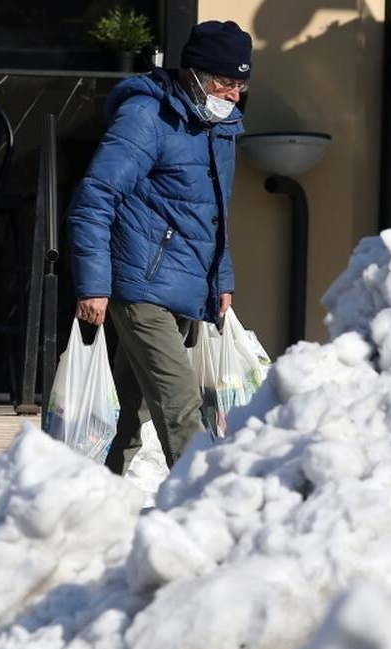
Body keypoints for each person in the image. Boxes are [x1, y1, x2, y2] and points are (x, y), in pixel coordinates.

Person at [67, 20, 252, 473]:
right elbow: (94, 198)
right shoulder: (147, 117)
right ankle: (203, 508)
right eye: (225, 83)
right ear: (193, 74)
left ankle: (96, 495)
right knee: (181, 407)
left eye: (241, 85)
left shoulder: (218, 127)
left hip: (185, 287)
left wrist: (221, 279)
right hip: (139, 286)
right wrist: (93, 286)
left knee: (131, 414)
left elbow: (213, 215)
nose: (233, 95)